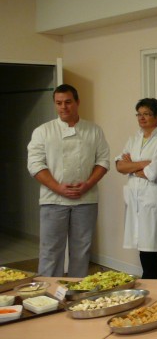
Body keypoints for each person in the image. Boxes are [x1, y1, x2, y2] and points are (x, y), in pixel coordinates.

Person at [26, 84, 110, 277]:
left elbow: (103, 161)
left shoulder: (94, 130)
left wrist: (88, 184)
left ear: (77, 102)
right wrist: (57, 187)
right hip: (53, 200)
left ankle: (76, 289)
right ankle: (48, 291)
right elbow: (35, 165)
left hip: (86, 199)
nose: (63, 107)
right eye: (59, 103)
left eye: (68, 102)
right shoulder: (43, 131)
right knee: (50, 250)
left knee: (82, 250)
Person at [115, 98, 157, 279]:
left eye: (147, 114)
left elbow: (154, 172)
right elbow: (119, 166)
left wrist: (132, 166)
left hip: (156, 197)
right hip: (137, 200)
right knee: (144, 246)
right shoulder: (134, 139)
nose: (141, 118)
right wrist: (143, 164)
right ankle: (149, 281)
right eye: (139, 114)